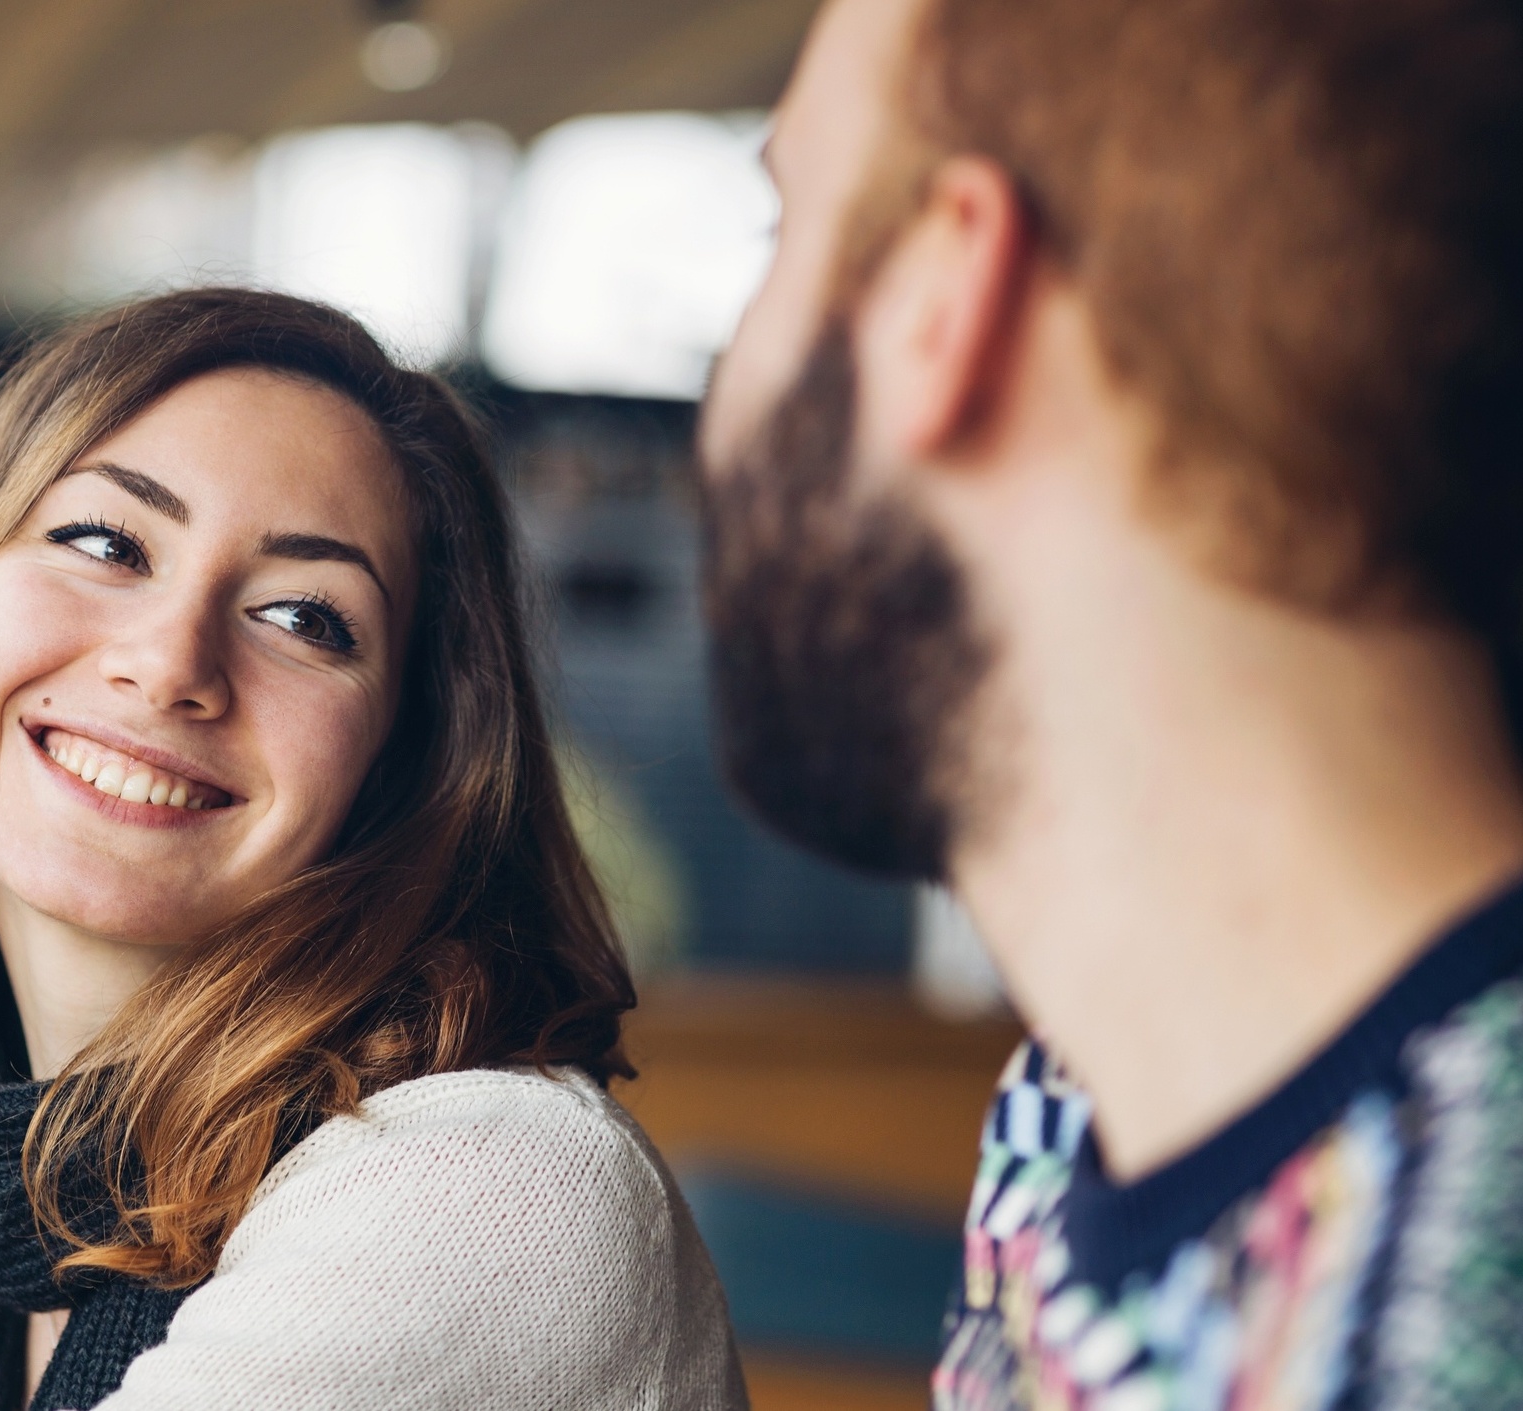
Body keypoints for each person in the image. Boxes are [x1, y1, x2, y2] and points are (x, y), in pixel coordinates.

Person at [0, 288, 743, 1411]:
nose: (169, 659)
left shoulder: (493, 1192)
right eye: (103, 541)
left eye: (303, 617)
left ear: (405, 772)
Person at [699, 0, 1523, 1405]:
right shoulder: (1082, 1113)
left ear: (942, 298)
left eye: (783, 237)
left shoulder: (1433, 1329)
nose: (722, 384)